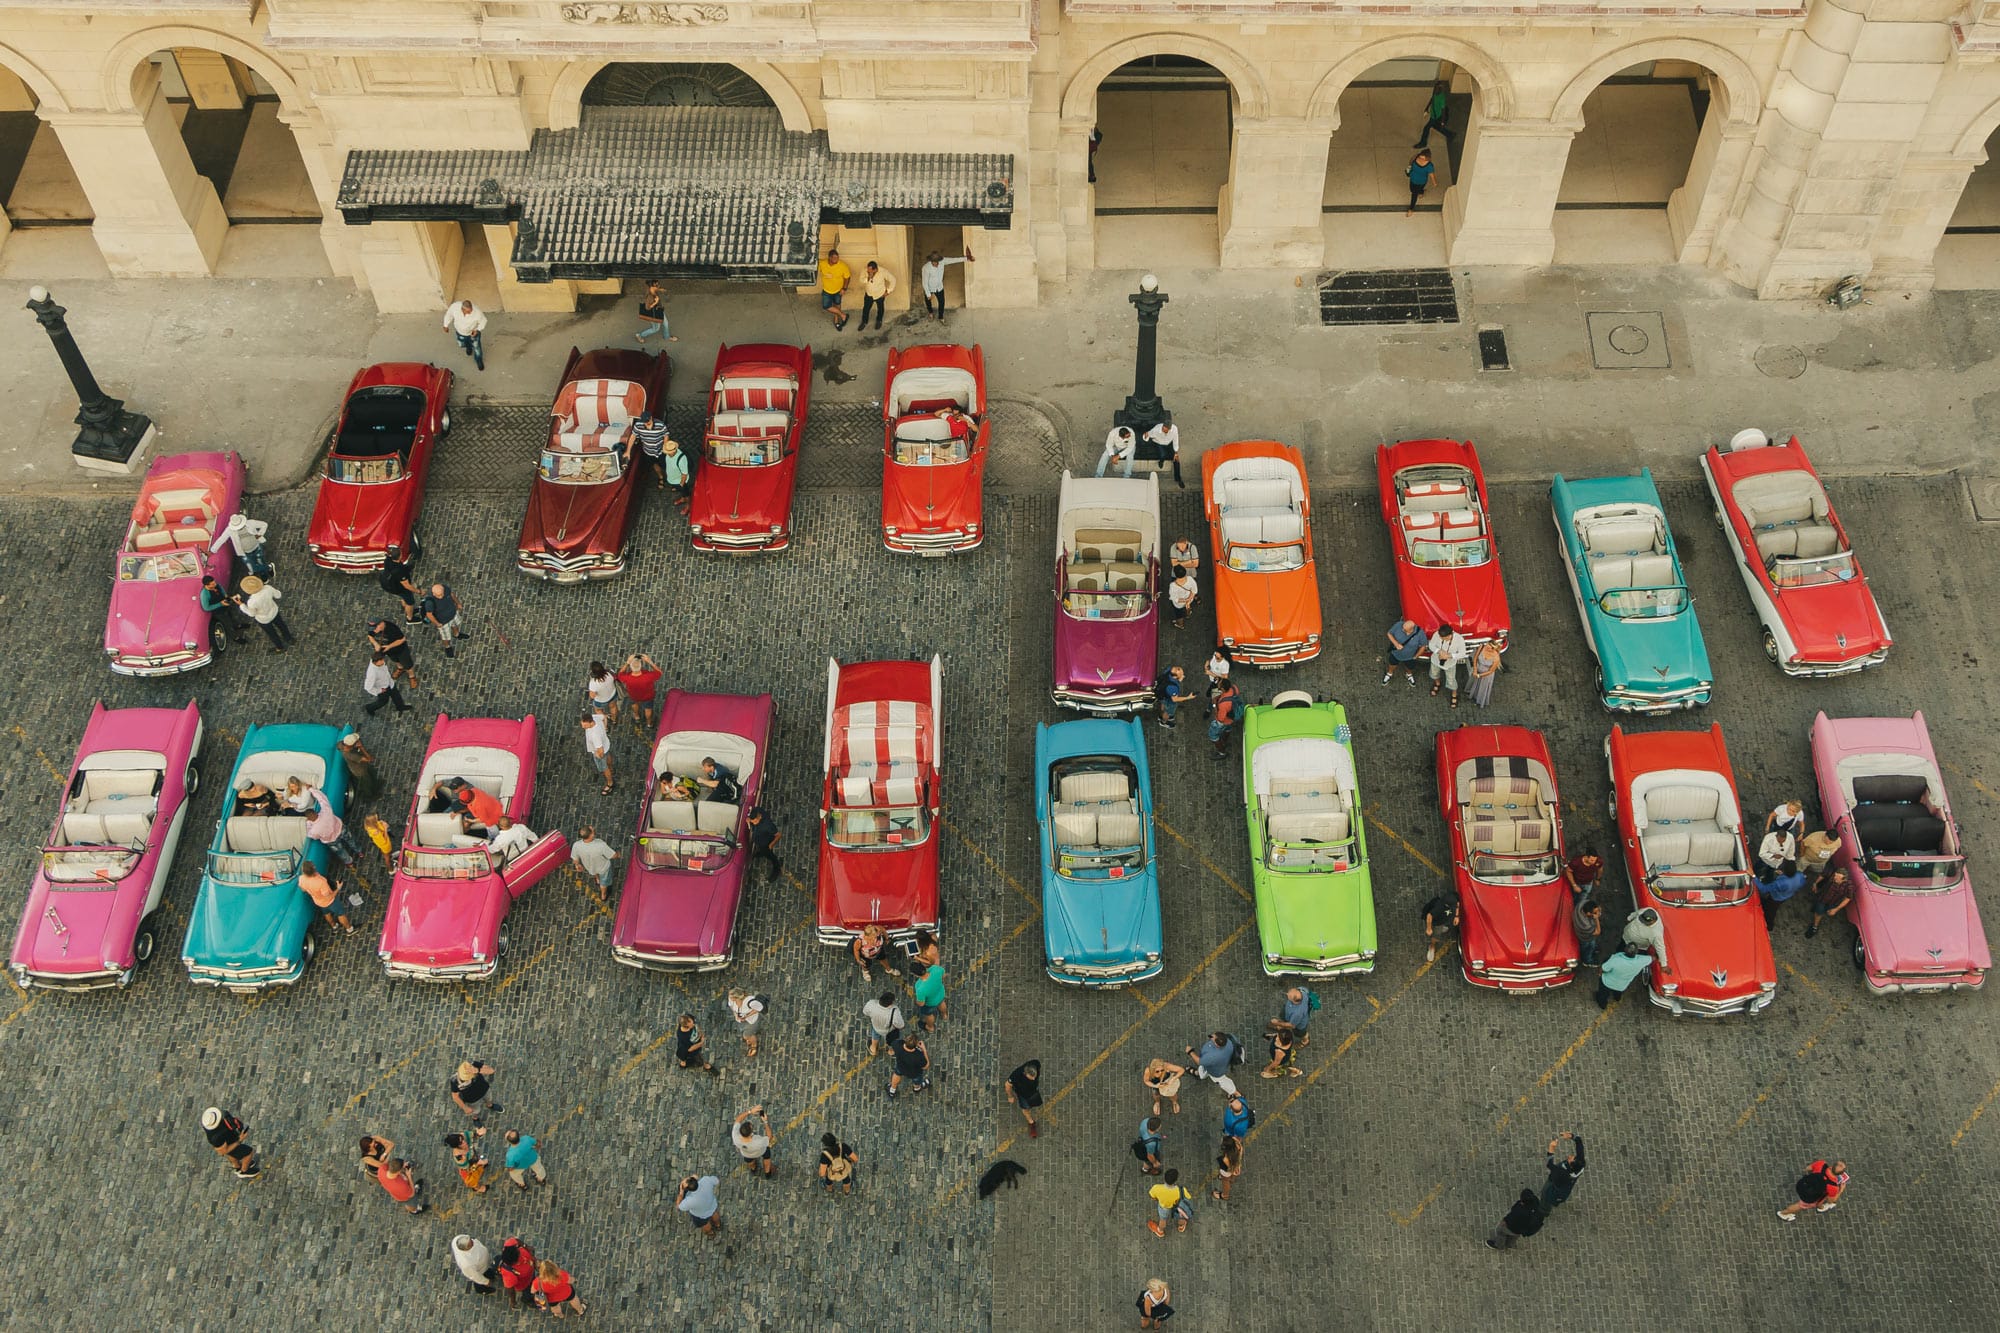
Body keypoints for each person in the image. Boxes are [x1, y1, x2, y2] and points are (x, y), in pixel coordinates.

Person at [303, 786, 360, 868]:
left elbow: (311, 835)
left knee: (340, 852)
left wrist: (308, 823)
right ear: (315, 812)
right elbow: (322, 799)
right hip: (341, 829)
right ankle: (359, 851)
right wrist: (311, 789)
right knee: (351, 840)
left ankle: (349, 862)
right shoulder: (326, 811)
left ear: (309, 819)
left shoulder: (314, 830)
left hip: (331, 840)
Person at [1778, 1158, 1850, 1221]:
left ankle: (1820, 1207)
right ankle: (1783, 1213)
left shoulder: (1821, 1164)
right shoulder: (1833, 1187)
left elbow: (1808, 1168)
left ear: (1832, 1165)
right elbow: (1831, 1201)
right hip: (1809, 1197)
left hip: (1802, 1184)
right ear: (1842, 1174)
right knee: (1800, 1205)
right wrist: (1841, 1190)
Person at [237, 575, 294, 652]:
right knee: (282, 625)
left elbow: (252, 614)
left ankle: (280, 647)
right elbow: (278, 595)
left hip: (264, 619)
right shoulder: (267, 588)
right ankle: (289, 638)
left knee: (272, 633)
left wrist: (241, 605)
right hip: (274, 612)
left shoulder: (251, 601)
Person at [201, 1107, 260, 1179]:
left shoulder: (209, 1127)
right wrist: (239, 1140)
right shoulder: (215, 1138)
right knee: (249, 1152)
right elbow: (223, 1151)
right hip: (229, 1145)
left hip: (227, 1139)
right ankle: (244, 1170)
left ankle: (237, 1166)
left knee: (231, 1154)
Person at [210, 513, 273, 580]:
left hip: (256, 547)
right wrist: (212, 550)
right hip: (244, 551)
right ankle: (268, 568)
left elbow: (264, 525)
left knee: (260, 561)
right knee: (251, 565)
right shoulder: (229, 530)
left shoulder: (250, 523)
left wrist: (260, 534)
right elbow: (221, 539)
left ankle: (264, 575)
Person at [299, 860, 353, 934]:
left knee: (327, 914)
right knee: (341, 914)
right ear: (314, 868)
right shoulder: (321, 883)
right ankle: (349, 929)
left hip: (319, 902)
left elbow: (303, 889)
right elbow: (329, 897)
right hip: (330, 902)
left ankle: (334, 926)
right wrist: (338, 888)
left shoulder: (301, 879)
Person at [367, 617, 419, 694]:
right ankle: (400, 668)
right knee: (395, 660)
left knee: (407, 664)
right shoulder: (373, 630)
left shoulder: (392, 628)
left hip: (400, 650)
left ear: (381, 624)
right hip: (389, 651)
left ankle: (412, 676)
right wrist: (375, 644)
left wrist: (389, 646)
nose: (374, 631)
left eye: (375, 628)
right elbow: (370, 636)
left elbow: (402, 639)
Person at [920, 247, 973, 321]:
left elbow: (953, 260)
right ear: (931, 261)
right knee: (928, 301)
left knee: (942, 302)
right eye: (934, 262)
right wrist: (928, 294)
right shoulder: (926, 268)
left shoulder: (942, 261)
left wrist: (966, 258)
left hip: (939, 287)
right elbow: (924, 282)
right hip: (929, 287)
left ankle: (941, 317)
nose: (936, 263)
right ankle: (930, 313)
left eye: (937, 261)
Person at [615, 652, 663, 734]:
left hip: (634, 695)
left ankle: (637, 716)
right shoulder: (648, 676)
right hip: (647, 696)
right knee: (648, 709)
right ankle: (649, 723)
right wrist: (650, 661)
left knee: (634, 704)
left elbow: (619, 674)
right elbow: (659, 672)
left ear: (631, 667)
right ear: (641, 667)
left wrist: (627, 662)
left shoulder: (627, 678)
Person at [448, 1059, 500, 1133]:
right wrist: (465, 1107)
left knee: (489, 1099)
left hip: (484, 1090)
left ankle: (490, 1105)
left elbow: (491, 1070)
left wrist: (478, 1070)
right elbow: (455, 1096)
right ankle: (475, 1119)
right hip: (472, 1100)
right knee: (475, 1111)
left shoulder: (474, 1064)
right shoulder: (454, 1081)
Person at [1596, 944, 1653, 1009]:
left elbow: (1603, 969)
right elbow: (1652, 958)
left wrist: (1600, 974)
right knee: (1618, 992)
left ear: (1625, 949)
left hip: (1607, 982)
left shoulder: (1615, 959)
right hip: (1622, 985)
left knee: (1603, 994)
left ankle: (1602, 1004)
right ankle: (1617, 998)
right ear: (1636, 952)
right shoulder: (1641, 960)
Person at [420, 582, 468, 658]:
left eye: (442, 594)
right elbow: (429, 615)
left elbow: (451, 594)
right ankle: (447, 646)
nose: (442, 596)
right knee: (446, 637)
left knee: (455, 625)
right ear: (434, 594)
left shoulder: (444, 588)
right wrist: (437, 624)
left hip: (453, 613)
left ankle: (457, 634)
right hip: (443, 621)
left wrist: (458, 603)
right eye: (439, 595)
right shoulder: (430, 602)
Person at [1541, 1132, 1586, 1211]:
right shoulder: (1581, 1163)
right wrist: (1571, 1136)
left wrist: (1551, 1148)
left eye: (1570, 1158)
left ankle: (1544, 1209)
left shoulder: (1561, 1173)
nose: (1569, 1156)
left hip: (1554, 1186)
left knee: (1546, 1196)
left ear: (1571, 1166)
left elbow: (1549, 1164)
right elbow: (1579, 1142)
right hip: (1565, 1189)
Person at [1425, 623, 1468, 704]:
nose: (1443, 640)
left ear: (1451, 634)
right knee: (1434, 674)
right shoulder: (1437, 634)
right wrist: (1439, 651)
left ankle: (1454, 693)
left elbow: (1462, 653)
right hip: (1435, 660)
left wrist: (1449, 656)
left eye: (1446, 638)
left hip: (1450, 664)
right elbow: (1431, 644)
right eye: (1442, 638)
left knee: (1451, 680)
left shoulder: (1459, 639)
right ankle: (1437, 684)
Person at [199, 575, 249, 643]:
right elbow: (206, 608)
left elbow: (224, 594)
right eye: (213, 584)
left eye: (214, 582)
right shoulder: (204, 594)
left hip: (225, 606)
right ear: (207, 585)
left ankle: (237, 625)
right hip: (219, 612)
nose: (215, 584)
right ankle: (235, 637)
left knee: (231, 617)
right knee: (227, 624)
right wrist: (220, 604)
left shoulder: (217, 585)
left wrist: (229, 598)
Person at [378, 543, 420, 623]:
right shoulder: (400, 571)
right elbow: (407, 585)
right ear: (400, 556)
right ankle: (410, 618)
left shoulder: (388, 560)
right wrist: (419, 591)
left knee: (404, 598)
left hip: (389, 585)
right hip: (399, 588)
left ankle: (406, 608)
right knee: (410, 602)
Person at [339, 734, 386, 803]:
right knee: (367, 784)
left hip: (364, 766)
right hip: (360, 771)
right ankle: (369, 797)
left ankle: (376, 785)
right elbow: (369, 759)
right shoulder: (351, 755)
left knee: (372, 774)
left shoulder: (344, 744)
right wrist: (361, 747)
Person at [442, 298, 488, 370]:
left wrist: (477, 330)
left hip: (473, 334)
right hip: (460, 333)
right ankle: (468, 347)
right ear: (462, 309)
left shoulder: (477, 312)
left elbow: (484, 321)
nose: (470, 313)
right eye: (468, 311)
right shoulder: (454, 307)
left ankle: (479, 360)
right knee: (462, 344)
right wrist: (445, 325)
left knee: (477, 348)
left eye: (471, 310)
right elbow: (449, 315)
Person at [1807, 868, 1853, 939]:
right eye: (1835, 876)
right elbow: (1823, 875)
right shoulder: (1832, 873)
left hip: (1833, 903)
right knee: (1819, 912)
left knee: (1828, 912)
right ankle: (1814, 927)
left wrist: (1836, 909)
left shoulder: (1849, 886)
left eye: (1837, 878)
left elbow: (1848, 898)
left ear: (1844, 879)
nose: (1834, 878)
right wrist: (1815, 883)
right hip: (1822, 898)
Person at [1147, 1168, 1193, 1237]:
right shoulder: (1181, 1190)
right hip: (1177, 1206)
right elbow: (1188, 1197)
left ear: (1164, 1178)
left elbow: (1152, 1197)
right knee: (1181, 1216)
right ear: (1175, 1180)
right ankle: (1181, 1226)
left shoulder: (1156, 1188)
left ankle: (1160, 1231)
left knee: (1163, 1219)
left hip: (1164, 1207)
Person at [1139, 419, 1184, 488]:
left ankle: (1178, 478)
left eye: (1165, 429)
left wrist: (1176, 452)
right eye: (1163, 428)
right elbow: (1147, 434)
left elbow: (1175, 440)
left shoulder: (1174, 429)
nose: (1163, 430)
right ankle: (1161, 461)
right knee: (1162, 455)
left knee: (1176, 461)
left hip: (1168, 443)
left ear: (1169, 429)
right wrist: (1145, 436)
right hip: (1159, 443)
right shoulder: (1156, 429)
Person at [362, 652, 411, 716]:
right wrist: (379, 691)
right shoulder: (372, 673)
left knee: (396, 695)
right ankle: (369, 708)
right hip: (383, 688)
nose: (383, 661)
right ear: (376, 662)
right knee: (383, 701)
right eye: (381, 660)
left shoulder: (379, 662)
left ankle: (400, 706)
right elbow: (367, 687)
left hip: (389, 683)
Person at [733, 1105, 775, 1177]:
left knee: (750, 1162)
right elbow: (769, 1137)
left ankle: (753, 1169)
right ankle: (767, 1172)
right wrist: (765, 1122)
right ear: (750, 1134)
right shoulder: (758, 1142)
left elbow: (738, 1119)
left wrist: (750, 1111)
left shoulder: (735, 1137)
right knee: (767, 1159)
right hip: (761, 1151)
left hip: (747, 1154)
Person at [1381, 616, 1426, 685]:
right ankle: (1389, 673)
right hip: (1395, 653)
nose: (1402, 629)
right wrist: (1396, 644)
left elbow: (1423, 646)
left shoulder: (1420, 633)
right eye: (1403, 627)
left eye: (1405, 629)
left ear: (1411, 629)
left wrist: (1416, 656)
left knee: (1410, 667)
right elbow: (1389, 633)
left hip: (1410, 656)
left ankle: (1409, 674)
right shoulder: (1398, 625)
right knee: (1392, 664)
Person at [1006, 1059, 1044, 1137]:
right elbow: (1007, 1085)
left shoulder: (1036, 1063)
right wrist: (1010, 1096)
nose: (1034, 1079)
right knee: (1025, 1109)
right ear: (1025, 1073)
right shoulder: (1016, 1075)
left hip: (1033, 1091)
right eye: (1031, 1077)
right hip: (1023, 1094)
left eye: (1035, 1076)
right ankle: (1031, 1123)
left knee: (1035, 1102)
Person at [571, 825, 615, 891]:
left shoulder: (576, 845)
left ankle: (597, 879)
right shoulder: (600, 844)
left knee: (595, 872)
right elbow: (613, 855)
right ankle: (603, 895)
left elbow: (575, 859)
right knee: (604, 883)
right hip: (603, 868)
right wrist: (618, 854)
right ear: (591, 835)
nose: (593, 829)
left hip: (590, 867)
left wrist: (577, 865)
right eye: (592, 830)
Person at [496, 1239, 537, 1309]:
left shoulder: (510, 1246)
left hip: (531, 1273)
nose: (520, 1250)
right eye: (518, 1253)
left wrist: (526, 1246)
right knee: (528, 1293)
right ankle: (526, 1299)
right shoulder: (509, 1275)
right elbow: (511, 1291)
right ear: (514, 1262)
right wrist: (513, 1301)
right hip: (526, 1284)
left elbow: (516, 1241)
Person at [580, 710, 614, 796]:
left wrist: (598, 755)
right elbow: (604, 717)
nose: (583, 727)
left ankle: (610, 783)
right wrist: (605, 728)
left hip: (600, 751)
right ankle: (611, 769)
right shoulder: (595, 718)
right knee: (608, 757)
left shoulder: (595, 735)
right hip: (606, 744)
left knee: (604, 768)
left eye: (585, 725)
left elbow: (601, 750)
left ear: (590, 723)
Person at [1415, 79, 1455, 148]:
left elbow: (1443, 111)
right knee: (1437, 127)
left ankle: (1423, 143)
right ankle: (1451, 134)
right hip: (1433, 115)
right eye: (1435, 88)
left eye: (1436, 89)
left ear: (1439, 90)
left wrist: (1442, 122)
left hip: (1436, 117)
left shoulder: (1442, 98)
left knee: (1426, 128)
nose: (1435, 90)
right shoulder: (1435, 93)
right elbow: (1432, 99)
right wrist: (1427, 108)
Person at [818, 247, 851, 330]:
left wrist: (844, 288)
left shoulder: (843, 266)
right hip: (827, 290)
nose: (837, 259)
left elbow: (847, 277)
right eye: (834, 258)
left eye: (837, 257)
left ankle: (837, 322)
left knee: (837, 305)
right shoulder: (822, 264)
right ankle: (843, 315)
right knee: (826, 306)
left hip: (838, 290)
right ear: (830, 257)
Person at [660, 434, 695, 513]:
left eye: (669, 452)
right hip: (673, 479)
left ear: (674, 450)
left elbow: (684, 474)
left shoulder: (681, 459)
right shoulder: (668, 454)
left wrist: (681, 483)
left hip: (680, 482)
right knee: (682, 493)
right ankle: (683, 499)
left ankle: (688, 505)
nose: (667, 453)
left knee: (687, 494)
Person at [863, 990, 904, 1056]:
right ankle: (891, 1051)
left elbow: (865, 1012)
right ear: (890, 1004)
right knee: (892, 1041)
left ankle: (873, 1049)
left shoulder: (871, 1004)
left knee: (875, 1036)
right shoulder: (894, 1012)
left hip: (876, 1027)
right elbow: (901, 1025)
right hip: (889, 1031)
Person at [1208, 680, 1241, 760]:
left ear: (1222, 689)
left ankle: (1222, 752)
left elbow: (1220, 719)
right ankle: (1224, 741)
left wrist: (1214, 704)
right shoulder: (1234, 688)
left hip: (1224, 721)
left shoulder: (1223, 705)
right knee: (1228, 729)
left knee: (1213, 736)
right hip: (1231, 718)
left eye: (1219, 685)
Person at [746, 806, 781, 882]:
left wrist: (771, 845)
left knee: (770, 856)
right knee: (762, 851)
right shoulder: (756, 810)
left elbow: (778, 835)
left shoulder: (767, 825)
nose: (753, 823)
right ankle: (761, 853)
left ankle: (777, 869)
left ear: (759, 817)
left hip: (766, 843)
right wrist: (749, 821)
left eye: (754, 821)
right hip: (759, 841)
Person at [890, 1031, 931, 1095]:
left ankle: (892, 1090)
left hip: (900, 1067)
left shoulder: (897, 1044)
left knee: (897, 1074)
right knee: (917, 1080)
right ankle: (917, 1089)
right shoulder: (918, 1056)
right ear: (915, 1045)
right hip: (914, 1073)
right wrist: (924, 1050)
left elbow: (891, 1051)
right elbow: (926, 1066)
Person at [859, 260, 896, 331]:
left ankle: (879, 320)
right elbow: (861, 280)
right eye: (868, 270)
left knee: (880, 308)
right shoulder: (865, 271)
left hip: (880, 294)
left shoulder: (883, 272)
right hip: (869, 294)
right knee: (866, 309)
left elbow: (893, 280)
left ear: (875, 269)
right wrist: (868, 278)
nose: (868, 271)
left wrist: (888, 291)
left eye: (870, 271)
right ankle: (864, 322)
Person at [728, 989, 766, 1057]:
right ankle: (750, 1039)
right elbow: (732, 1007)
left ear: (737, 997)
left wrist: (747, 1016)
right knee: (745, 1032)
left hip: (752, 1021)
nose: (730, 999)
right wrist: (736, 1015)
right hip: (741, 1020)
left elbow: (759, 1008)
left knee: (746, 1035)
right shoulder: (731, 999)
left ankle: (754, 1045)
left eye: (732, 998)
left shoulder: (750, 1001)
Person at [1423, 893, 1460, 963]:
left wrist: (1456, 916)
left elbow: (1457, 905)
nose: (1455, 907)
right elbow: (1429, 916)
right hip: (1440, 923)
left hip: (1448, 921)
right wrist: (1429, 928)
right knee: (1436, 935)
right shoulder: (1439, 907)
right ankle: (1432, 947)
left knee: (1448, 928)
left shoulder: (1454, 900)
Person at [636, 277, 673, 343]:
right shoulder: (650, 296)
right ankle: (640, 335)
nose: (658, 286)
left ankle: (667, 336)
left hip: (659, 310)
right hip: (655, 313)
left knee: (666, 323)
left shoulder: (652, 289)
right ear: (652, 286)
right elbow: (647, 308)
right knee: (655, 329)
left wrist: (660, 289)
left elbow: (656, 289)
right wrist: (655, 302)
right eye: (657, 285)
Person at [1468, 638, 1502, 708]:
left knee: (1483, 688)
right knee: (1474, 683)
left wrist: (1479, 675)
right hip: (1477, 669)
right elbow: (1475, 658)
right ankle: (1471, 694)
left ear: (1493, 649)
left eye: (1489, 648)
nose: (1487, 648)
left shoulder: (1496, 658)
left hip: (1486, 675)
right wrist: (1475, 669)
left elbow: (1491, 671)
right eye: (1487, 646)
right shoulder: (1482, 647)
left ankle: (1479, 701)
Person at [913, 963, 947, 1030]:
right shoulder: (935, 968)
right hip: (940, 994)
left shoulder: (919, 986)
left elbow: (921, 1003)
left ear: (916, 975)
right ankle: (944, 1015)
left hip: (931, 1003)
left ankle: (930, 1027)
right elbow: (943, 976)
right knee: (942, 1003)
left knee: (928, 1014)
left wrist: (916, 1001)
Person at [1574, 894, 1604, 967]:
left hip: (1582, 931)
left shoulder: (1581, 904)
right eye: (1595, 912)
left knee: (1592, 944)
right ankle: (1587, 961)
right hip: (1585, 938)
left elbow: (1592, 904)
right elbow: (1597, 932)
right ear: (1588, 913)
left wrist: (1598, 910)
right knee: (1587, 948)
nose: (1598, 913)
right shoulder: (1585, 925)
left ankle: (1593, 948)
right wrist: (1596, 918)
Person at [1213, 1134, 1244, 1201]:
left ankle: (1225, 1195)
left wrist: (1233, 1171)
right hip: (1235, 1165)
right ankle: (1232, 1180)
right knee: (1231, 1176)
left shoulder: (1226, 1159)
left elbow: (1230, 1168)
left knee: (1225, 1182)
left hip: (1226, 1171)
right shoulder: (1238, 1146)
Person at [1155, 664, 1186, 730]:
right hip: (1169, 700)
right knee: (1168, 712)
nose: (1180, 669)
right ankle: (1164, 722)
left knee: (1163, 704)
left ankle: (1161, 716)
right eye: (1179, 670)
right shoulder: (1173, 688)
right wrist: (1188, 697)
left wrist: (1179, 679)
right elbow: (1175, 699)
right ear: (1175, 676)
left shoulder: (1169, 670)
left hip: (1162, 694)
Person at [1405, 149, 1436, 216]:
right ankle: (1421, 192)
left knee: (1414, 195)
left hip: (1421, 182)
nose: (1420, 160)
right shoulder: (1415, 157)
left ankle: (1411, 209)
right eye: (1420, 158)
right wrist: (1408, 171)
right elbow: (1410, 164)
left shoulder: (1429, 166)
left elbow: (1432, 175)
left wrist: (1434, 183)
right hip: (1412, 179)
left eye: (1423, 159)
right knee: (1412, 189)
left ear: (1427, 159)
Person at [1167, 565, 1198, 630]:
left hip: (1179, 604)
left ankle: (1180, 625)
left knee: (1179, 614)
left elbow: (1174, 598)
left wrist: (1185, 600)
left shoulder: (1173, 585)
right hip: (1189, 599)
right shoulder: (1190, 579)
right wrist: (1188, 600)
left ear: (1175, 574)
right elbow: (1194, 591)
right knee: (1187, 607)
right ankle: (1188, 614)